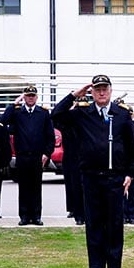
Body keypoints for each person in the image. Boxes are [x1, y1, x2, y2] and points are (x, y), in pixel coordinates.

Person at [51, 75, 134, 268]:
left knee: (115, 222)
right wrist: (74, 95)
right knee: (94, 222)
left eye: (104, 89)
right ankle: (98, 265)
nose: (101, 92)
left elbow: (132, 146)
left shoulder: (122, 115)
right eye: (97, 89)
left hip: (115, 177)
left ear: (110, 91)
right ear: (91, 92)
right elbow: (56, 115)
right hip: (91, 176)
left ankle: (114, 265)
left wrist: (130, 173)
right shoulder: (83, 113)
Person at [0, 85, 55, 226]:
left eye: (33, 96)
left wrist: (47, 154)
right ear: (24, 97)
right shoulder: (18, 112)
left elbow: (50, 136)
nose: (30, 98)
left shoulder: (43, 113)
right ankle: (24, 216)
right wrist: (14, 104)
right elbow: (3, 120)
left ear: (36, 97)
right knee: (23, 187)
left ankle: (36, 216)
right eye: (28, 96)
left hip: (37, 156)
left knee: (36, 187)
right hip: (22, 155)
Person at [59, 96, 89, 225]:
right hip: (71, 158)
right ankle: (77, 213)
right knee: (73, 187)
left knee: (87, 188)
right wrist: (71, 102)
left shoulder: (90, 122)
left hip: (87, 158)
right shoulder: (68, 122)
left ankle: (86, 213)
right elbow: (57, 115)